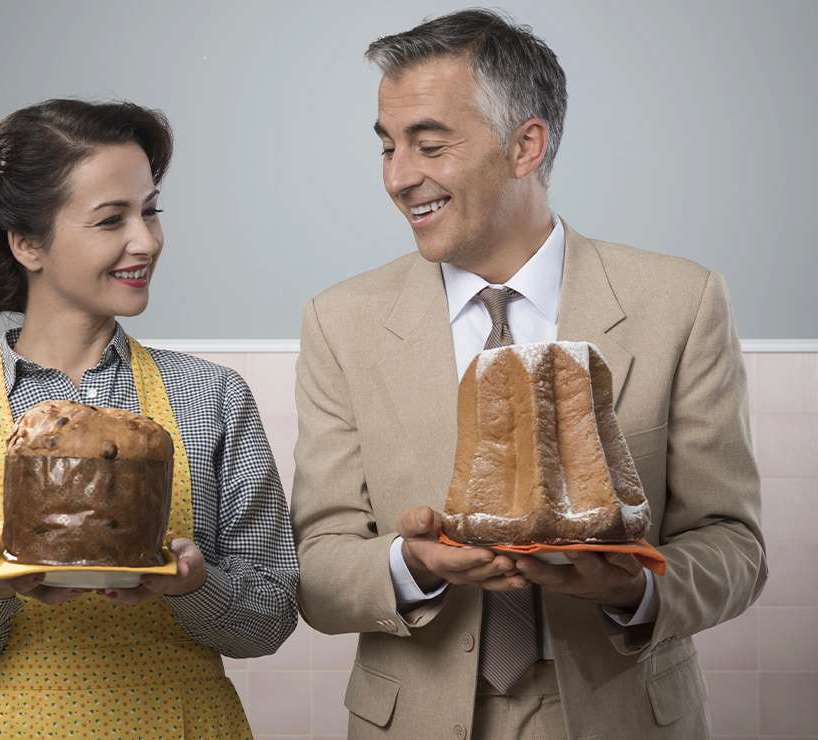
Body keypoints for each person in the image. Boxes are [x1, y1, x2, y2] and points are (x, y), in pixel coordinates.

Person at [290, 10, 765, 739]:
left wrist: (634, 585)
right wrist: (410, 565)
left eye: (429, 144)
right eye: (387, 147)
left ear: (525, 146)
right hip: (412, 719)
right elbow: (318, 568)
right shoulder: (340, 322)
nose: (397, 177)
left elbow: (732, 543)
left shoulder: (681, 302)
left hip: (623, 715)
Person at [0, 98, 298, 738]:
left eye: (151, 211)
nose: (148, 240)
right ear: (27, 243)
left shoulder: (212, 397)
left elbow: (270, 619)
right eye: (112, 220)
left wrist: (192, 585)